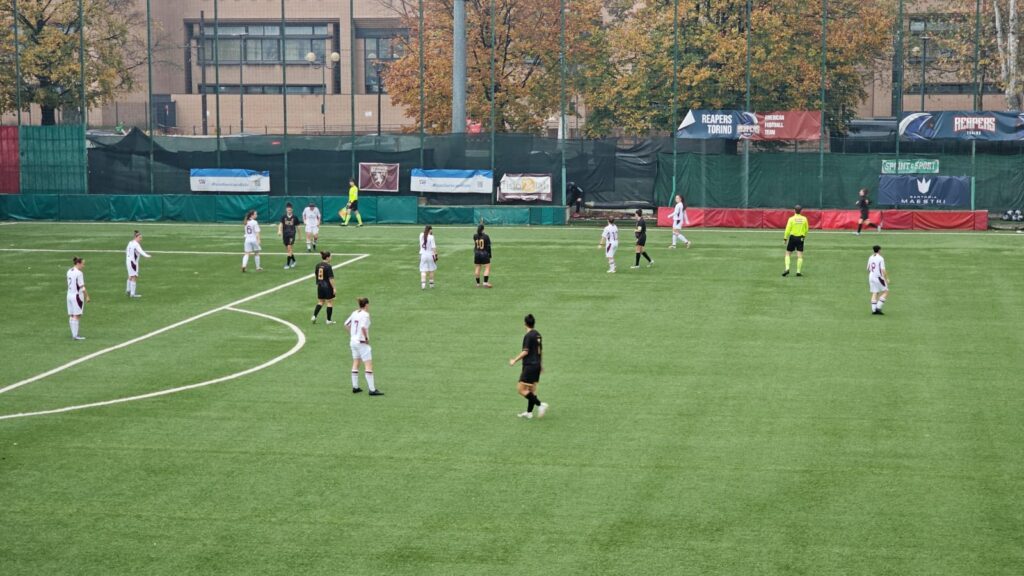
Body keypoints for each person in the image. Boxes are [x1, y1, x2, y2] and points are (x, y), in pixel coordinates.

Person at [509, 313, 547, 419]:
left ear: (525, 324)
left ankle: (541, 405)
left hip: (530, 366)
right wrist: (541, 365)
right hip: (536, 366)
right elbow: (540, 351)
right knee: (531, 390)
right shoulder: (538, 335)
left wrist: (514, 360)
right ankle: (529, 413)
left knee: (520, 389)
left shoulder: (528, 336)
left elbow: (525, 352)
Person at [344, 297, 382, 395]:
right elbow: (363, 327)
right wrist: (366, 339)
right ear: (366, 305)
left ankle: (355, 387)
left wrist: (353, 335)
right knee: (368, 365)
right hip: (361, 343)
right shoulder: (365, 315)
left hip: (353, 342)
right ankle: (372, 389)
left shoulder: (354, 313)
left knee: (356, 362)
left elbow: (346, 324)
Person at [66, 257, 89, 340]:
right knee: (77, 315)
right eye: (83, 264)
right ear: (78, 263)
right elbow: (82, 287)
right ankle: (75, 336)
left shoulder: (69, 271)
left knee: (72, 315)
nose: (83, 265)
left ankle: (73, 334)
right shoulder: (79, 273)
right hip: (76, 296)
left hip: (69, 295)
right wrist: (87, 296)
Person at [782, 205, 808, 277]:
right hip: (801, 238)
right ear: (801, 211)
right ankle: (798, 271)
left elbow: (787, 229)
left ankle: (787, 268)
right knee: (800, 255)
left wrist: (785, 238)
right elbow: (806, 229)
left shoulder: (791, 219)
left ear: (794, 210)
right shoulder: (804, 219)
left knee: (787, 254)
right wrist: (804, 236)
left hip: (793, 237)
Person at [311, 251, 336, 324]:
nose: (331, 258)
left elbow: (316, 274)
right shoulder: (328, 266)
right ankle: (328, 320)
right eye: (330, 256)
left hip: (320, 285)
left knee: (320, 301)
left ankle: (314, 316)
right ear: (327, 257)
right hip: (327, 286)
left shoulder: (318, 265)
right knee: (330, 302)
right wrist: (334, 288)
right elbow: (330, 278)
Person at [125, 230, 151, 298]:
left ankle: (128, 290)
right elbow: (141, 251)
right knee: (134, 276)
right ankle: (132, 294)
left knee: (130, 276)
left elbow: (127, 251)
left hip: (128, 261)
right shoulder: (136, 244)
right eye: (140, 237)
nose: (141, 239)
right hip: (133, 262)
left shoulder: (130, 242)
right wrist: (147, 256)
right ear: (136, 237)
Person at [278, 202, 304, 268]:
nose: (289, 210)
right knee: (288, 249)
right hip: (285, 234)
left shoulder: (295, 217)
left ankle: (287, 264)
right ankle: (294, 261)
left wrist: (299, 235)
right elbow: (280, 224)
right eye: (288, 209)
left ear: (292, 210)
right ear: (286, 210)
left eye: (290, 209)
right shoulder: (283, 217)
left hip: (292, 234)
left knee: (289, 248)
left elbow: (298, 226)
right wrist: (279, 231)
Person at [868, 245, 890, 315]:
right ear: (879, 250)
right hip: (878, 277)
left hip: (871, 276)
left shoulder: (870, 257)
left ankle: (874, 310)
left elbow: (868, 268)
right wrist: (887, 279)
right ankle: (878, 308)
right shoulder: (880, 258)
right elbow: (883, 269)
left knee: (875, 292)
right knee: (886, 292)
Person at [419, 225, 437, 289]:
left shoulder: (421, 235)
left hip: (423, 255)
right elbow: (433, 248)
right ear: (430, 230)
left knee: (423, 271)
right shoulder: (431, 237)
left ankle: (423, 285)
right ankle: (431, 284)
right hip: (430, 255)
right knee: (431, 270)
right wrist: (436, 255)